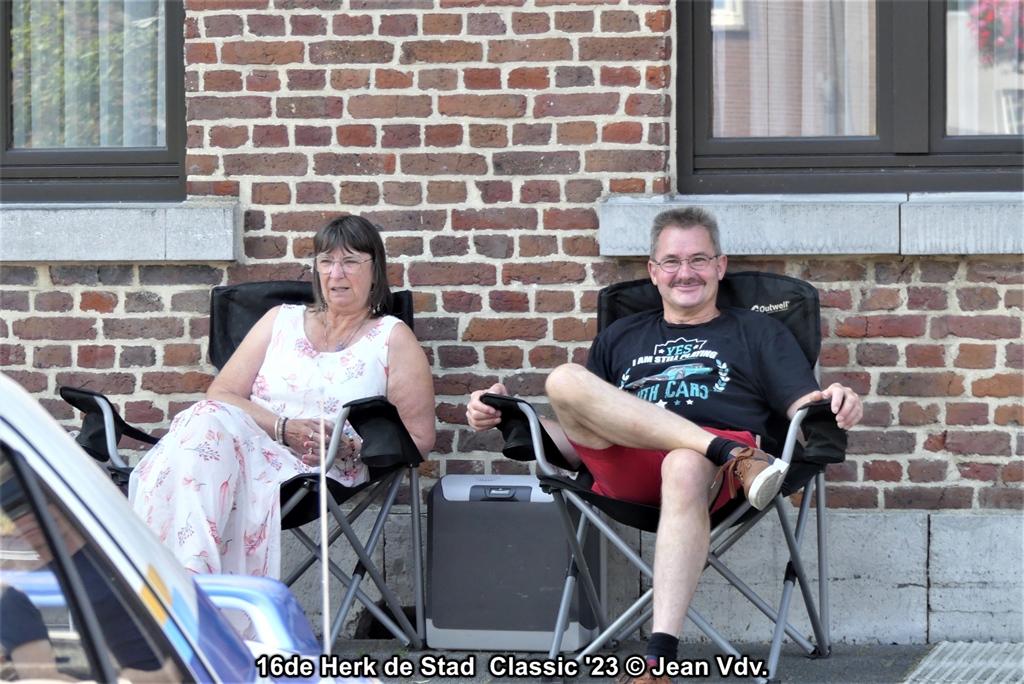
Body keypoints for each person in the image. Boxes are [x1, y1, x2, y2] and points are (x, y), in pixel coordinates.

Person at [466, 207, 862, 684]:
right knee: (564, 379)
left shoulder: (759, 332)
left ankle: (657, 664)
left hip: (714, 477)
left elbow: (804, 407)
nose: (685, 272)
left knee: (683, 462)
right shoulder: (619, 336)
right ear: (653, 271)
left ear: (720, 266)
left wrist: (835, 399)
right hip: (642, 465)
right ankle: (721, 449)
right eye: (671, 261)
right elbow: (575, 446)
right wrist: (509, 414)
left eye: (699, 259)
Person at [129, 214, 436, 583]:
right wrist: (283, 428)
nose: (336, 273)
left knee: (198, 449)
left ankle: (176, 586)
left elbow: (419, 439)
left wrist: (350, 446)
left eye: (351, 261)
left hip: (318, 472)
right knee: (205, 420)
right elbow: (221, 393)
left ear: (376, 271)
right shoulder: (280, 320)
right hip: (242, 449)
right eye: (326, 261)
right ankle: (191, 582)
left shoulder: (392, 337)